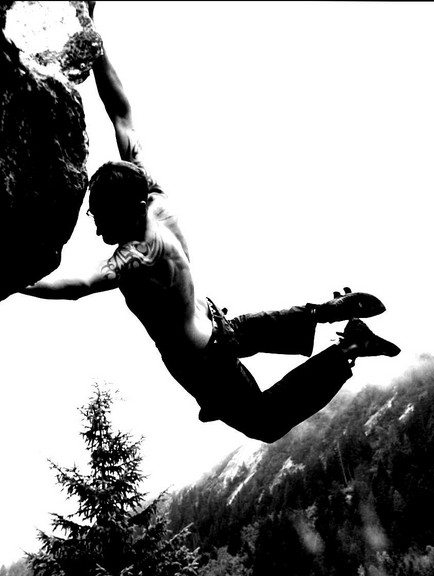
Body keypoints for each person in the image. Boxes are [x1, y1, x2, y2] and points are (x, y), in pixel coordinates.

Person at [21, 39, 400, 444]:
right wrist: (94, 48)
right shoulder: (152, 195)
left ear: (125, 212)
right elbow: (122, 115)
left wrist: (9, 281)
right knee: (239, 335)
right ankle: (322, 312)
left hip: (204, 362)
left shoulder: (136, 255)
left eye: (102, 221)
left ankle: (348, 349)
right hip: (215, 325)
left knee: (266, 422)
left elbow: (75, 288)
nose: (97, 231)